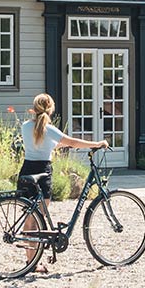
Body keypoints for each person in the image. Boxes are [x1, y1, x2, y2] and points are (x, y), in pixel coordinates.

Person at [19, 94, 106, 266]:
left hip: (26, 171)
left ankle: (30, 260)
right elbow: (72, 142)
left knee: (30, 219)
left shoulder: (26, 126)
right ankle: (32, 263)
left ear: (35, 108)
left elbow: (40, 143)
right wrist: (96, 144)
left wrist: (58, 144)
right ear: (50, 109)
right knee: (39, 219)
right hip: (42, 173)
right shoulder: (49, 129)